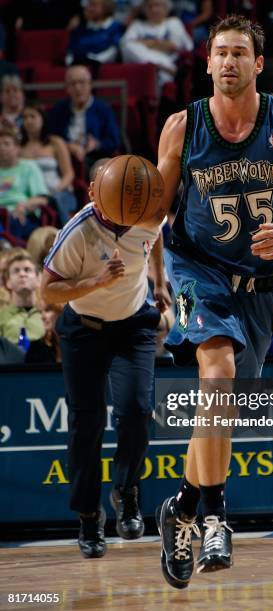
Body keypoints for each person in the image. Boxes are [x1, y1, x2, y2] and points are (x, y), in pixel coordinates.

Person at [155, 14, 273, 588]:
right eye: (221, 53)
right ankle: (215, 518)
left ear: (258, 64)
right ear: (208, 62)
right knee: (218, 368)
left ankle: (181, 509)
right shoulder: (181, 128)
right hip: (194, 270)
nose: (230, 61)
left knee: (222, 407)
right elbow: (154, 211)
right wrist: (146, 268)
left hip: (262, 282)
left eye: (241, 52)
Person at [40, 160, 171, 559]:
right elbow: (47, 293)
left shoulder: (149, 212)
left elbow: (158, 234)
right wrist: (97, 282)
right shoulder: (79, 231)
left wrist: (160, 281)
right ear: (94, 192)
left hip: (133, 327)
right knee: (87, 425)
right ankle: (87, 518)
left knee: (137, 410)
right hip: (84, 331)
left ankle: (126, 491)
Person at [47, 65, 121, 178]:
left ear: (90, 84)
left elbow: (114, 141)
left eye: (82, 82)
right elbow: (50, 137)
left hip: (93, 158)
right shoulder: (59, 110)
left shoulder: (103, 109)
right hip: (64, 157)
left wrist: (96, 144)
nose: (77, 88)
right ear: (66, 87)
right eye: (73, 83)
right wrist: (67, 146)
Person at [20, 103, 78, 225]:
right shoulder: (19, 148)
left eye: (32, 116)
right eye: (25, 117)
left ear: (42, 119)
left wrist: (54, 192)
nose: (28, 121)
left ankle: (68, 236)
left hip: (58, 192)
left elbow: (69, 174)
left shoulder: (55, 142)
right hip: (31, 195)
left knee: (58, 199)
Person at [120, 0, 194, 92]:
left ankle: (161, 68)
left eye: (157, 5)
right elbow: (125, 44)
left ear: (166, 8)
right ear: (144, 10)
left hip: (169, 63)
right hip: (146, 68)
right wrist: (159, 44)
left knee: (161, 77)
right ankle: (164, 66)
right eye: (150, 6)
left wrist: (145, 43)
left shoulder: (173, 22)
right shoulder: (137, 25)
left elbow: (173, 46)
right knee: (128, 46)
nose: (154, 10)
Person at [0, 127, 51, 241]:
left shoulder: (28, 167)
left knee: (13, 222)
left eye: (6, 144)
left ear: (17, 148)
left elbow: (42, 198)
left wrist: (24, 205)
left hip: (19, 215)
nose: (1, 147)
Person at [0, 251, 44, 344]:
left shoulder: (49, 314)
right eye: (16, 271)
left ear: (38, 280)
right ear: (8, 282)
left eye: (27, 270)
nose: (22, 274)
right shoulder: (1, 316)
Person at [66, 0, 125, 68]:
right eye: (88, 4)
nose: (87, 8)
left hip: (103, 69)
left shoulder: (116, 28)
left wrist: (91, 61)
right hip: (78, 69)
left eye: (93, 5)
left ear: (106, 8)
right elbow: (70, 54)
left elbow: (113, 51)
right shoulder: (79, 29)